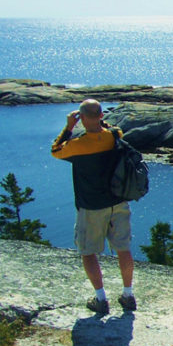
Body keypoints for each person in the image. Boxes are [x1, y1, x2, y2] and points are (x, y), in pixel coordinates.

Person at [51, 99, 137, 314]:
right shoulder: (114, 136)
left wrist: (69, 127)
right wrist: (101, 122)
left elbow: (55, 150)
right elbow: (115, 129)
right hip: (118, 200)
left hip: (91, 206)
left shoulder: (77, 145)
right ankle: (128, 295)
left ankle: (101, 299)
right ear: (100, 116)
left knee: (88, 252)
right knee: (123, 248)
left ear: (81, 118)